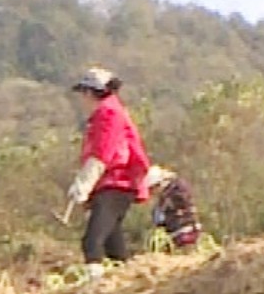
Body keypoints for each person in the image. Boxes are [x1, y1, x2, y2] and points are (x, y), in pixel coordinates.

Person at [65, 67, 153, 271]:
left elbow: (103, 152)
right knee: (113, 244)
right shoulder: (107, 112)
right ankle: (126, 278)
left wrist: (83, 183)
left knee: (92, 241)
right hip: (114, 182)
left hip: (118, 182)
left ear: (89, 93)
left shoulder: (109, 113)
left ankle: (96, 287)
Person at [146, 165, 201, 251]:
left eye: (152, 189)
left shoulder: (177, 190)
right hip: (173, 233)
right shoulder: (164, 196)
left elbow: (184, 205)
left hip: (185, 230)